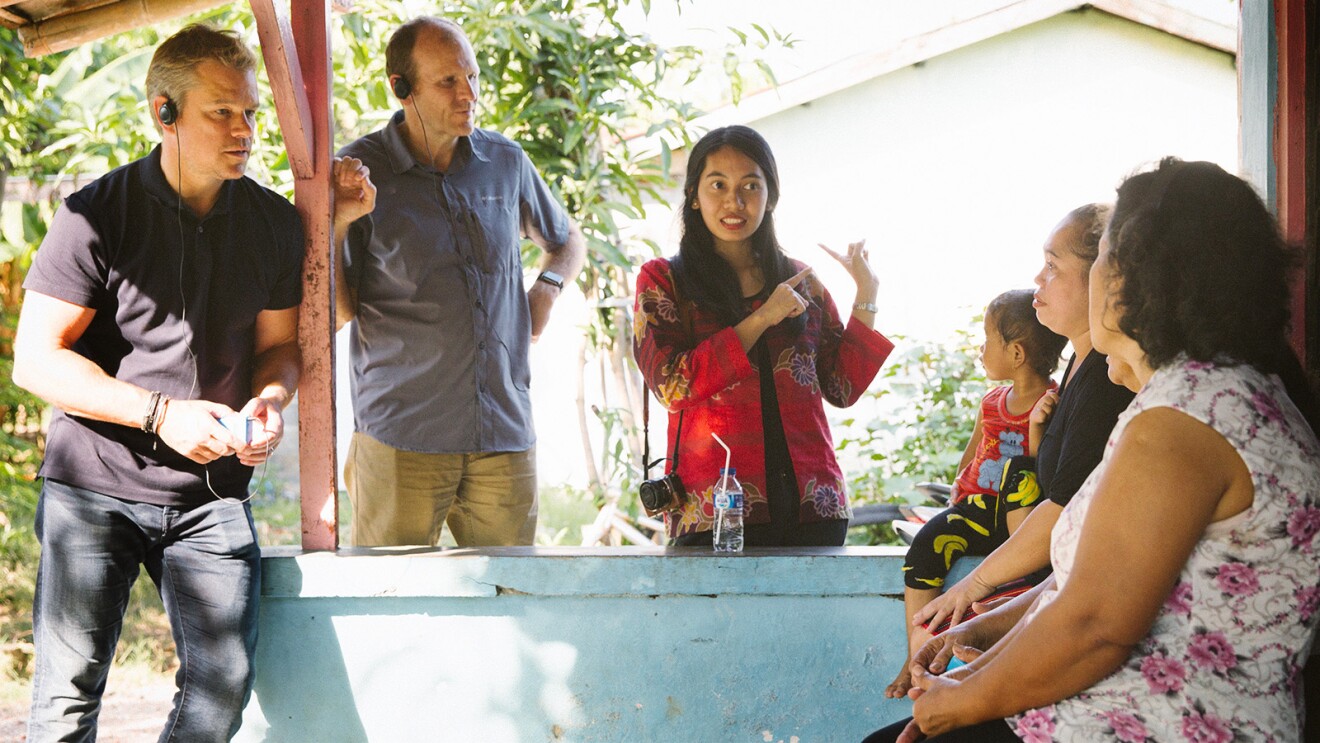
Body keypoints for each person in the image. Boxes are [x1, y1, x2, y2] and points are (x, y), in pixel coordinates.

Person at [863, 158, 1320, 742]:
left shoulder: (1184, 421)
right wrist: (977, 648)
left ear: (1138, 275)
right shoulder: (1206, 393)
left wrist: (960, 701)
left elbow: (1095, 627)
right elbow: (1082, 586)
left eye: (1101, 254)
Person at [11, 24, 369, 741]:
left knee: (222, 690)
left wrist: (269, 402)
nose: (244, 131)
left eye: (251, 114)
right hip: (94, 486)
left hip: (210, 495)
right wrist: (159, 414)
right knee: (65, 702)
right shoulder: (95, 214)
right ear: (163, 112)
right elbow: (36, 360)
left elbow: (279, 351)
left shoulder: (271, 221)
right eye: (222, 113)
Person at [334, 16, 586, 548]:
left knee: (511, 603)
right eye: (448, 81)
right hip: (403, 441)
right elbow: (334, 311)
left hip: (504, 436)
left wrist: (548, 287)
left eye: (471, 77)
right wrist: (335, 223)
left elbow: (567, 240)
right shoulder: (358, 176)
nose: (468, 93)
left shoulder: (506, 162)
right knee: (392, 606)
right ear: (401, 89)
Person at [632, 125, 894, 547]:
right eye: (718, 184)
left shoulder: (800, 280)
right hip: (713, 511)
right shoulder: (664, 280)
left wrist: (867, 294)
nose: (734, 202)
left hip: (814, 506)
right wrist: (762, 318)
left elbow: (841, 388)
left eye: (750, 186)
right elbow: (671, 384)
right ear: (694, 196)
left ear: (770, 196)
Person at [906, 205, 1135, 644]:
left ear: (1102, 278)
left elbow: (1063, 508)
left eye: (1052, 265)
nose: (1038, 278)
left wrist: (973, 586)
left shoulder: (1110, 377)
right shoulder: (1078, 366)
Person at [888, 289, 1066, 697]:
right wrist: (958, 488)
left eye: (988, 341)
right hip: (976, 509)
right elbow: (976, 448)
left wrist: (1037, 429)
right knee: (924, 549)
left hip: (1019, 518)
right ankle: (913, 655)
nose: (980, 350)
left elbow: (1043, 471)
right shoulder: (992, 400)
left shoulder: (1051, 402)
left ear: (1017, 354)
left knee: (1018, 477)